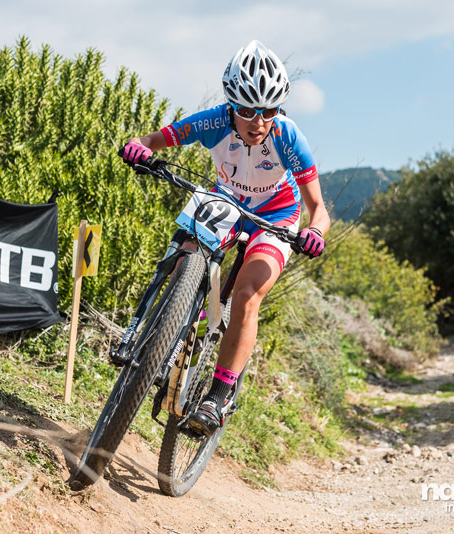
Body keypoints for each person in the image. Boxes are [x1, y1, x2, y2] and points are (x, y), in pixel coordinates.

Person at [119, 40, 330, 437]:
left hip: (276, 215)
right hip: (226, 201)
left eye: (269, 110)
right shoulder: (212, 122)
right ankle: (171, 324)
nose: (258, 121)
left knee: (248, 294)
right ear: (231, 104)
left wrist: (314, 231)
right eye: (247, 110)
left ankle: (218, 396)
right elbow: (150, 141)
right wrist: (137, 149)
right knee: (185, 254)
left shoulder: (288, 136)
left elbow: (318, 207)